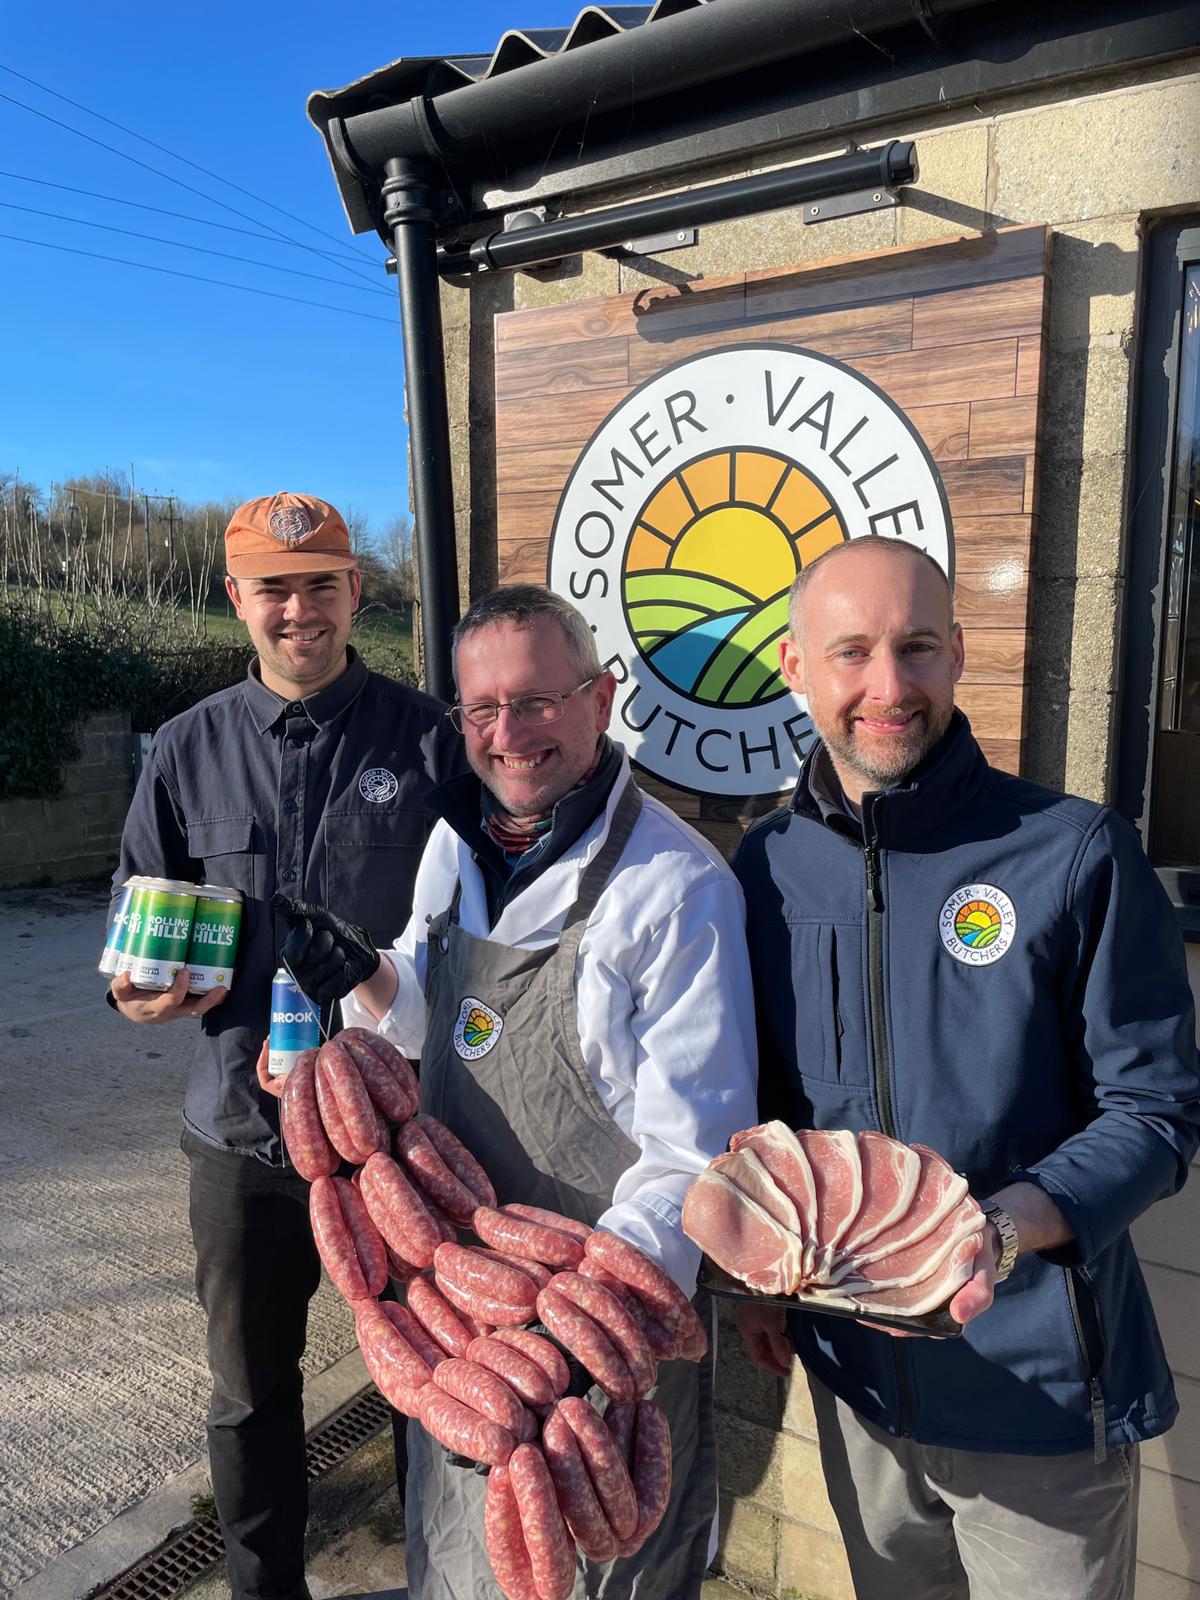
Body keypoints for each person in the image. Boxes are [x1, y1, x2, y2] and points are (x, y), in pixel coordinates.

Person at [731, 535, 1200, 1600]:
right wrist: (759, 1283)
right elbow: (775, 1102)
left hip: (1036, 1399)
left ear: (958, 655)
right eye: (851, 652)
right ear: (797, 668)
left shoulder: (1075, 850)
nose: (888, 686)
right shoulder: (768, 862)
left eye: (919, 647)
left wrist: (993, 1231)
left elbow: (1158, 1113)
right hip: (855, 1382)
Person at [270, 583, 759, 1600]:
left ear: (601, 698)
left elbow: (693, 1157)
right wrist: (359, 971)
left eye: (538, 701)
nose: (510, 733)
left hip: (598, 1344)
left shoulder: (678, 887)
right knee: (457, 1560)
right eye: (483, 709)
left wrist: (562, 1332)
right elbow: (423, 1017)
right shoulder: (458, 841)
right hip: (458, 1323)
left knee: (598, 1574)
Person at [108, 491, 462, 1600]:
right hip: (237, 1136)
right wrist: (137, 992)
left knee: (428, 1383)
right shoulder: (183, 747)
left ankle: (442, 1577)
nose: (299, 608)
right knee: (252, 1394)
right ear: (237, 600)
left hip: (394, 1139)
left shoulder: (434, 741)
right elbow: (137, 911)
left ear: (359, 591)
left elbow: (476, 936)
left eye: (321, 584)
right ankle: (266, 1589)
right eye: (275, 587)